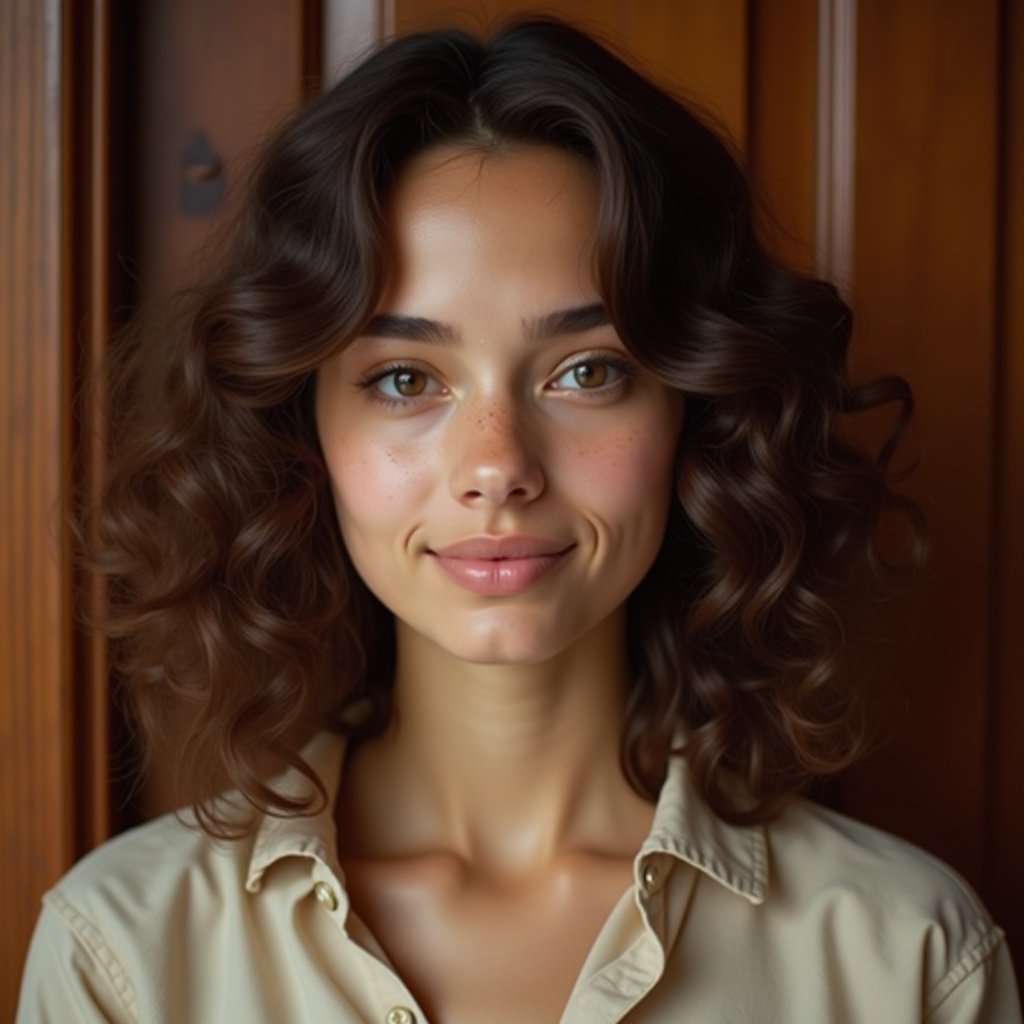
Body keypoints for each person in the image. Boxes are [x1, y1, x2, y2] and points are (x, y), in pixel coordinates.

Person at [16, 16, 1021, 1024]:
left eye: (587, 370)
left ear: (694, 411)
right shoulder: (127, 955)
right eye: (405, 378)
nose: (497, 467)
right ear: (301, 435)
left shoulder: (904, 956)